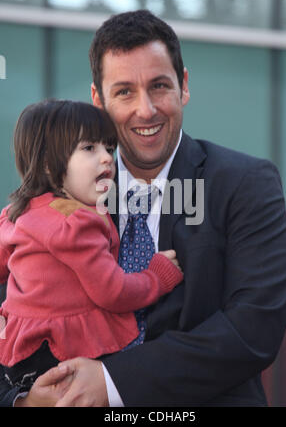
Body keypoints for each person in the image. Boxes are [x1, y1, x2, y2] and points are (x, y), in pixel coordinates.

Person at [4, 9, 286, 407]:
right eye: (124, 91)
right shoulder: (57, 195)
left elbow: (253, 329)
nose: (146, 110)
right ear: (97, 100)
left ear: (184, 86)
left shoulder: (246, 184)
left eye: (159, 86)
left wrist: (111, 382)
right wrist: (21, 399)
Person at [0, 99, 183, 406]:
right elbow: (112, 291)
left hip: (18, 353)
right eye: (89, 148)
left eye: (108, 148)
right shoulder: (77, 221)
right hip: (61, 350)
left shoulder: (15, 213)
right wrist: (157, 276)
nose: (106, 159)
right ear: (48, 163)